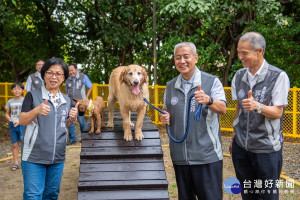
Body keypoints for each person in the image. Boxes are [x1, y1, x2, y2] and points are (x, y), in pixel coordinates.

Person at [160, 42, 227, 200]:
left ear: (195, 58)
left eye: (186, 56)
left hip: (206, 157)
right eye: (178, 58)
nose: (182, 61)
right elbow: (166, 112)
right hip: (180, 158)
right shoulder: (170, 86)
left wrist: (208, 100)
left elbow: (223, 109)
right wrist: (165, 118)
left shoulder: (211, 81)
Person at [230, 32, 290, 200]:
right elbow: (238, 108)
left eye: (244, 53)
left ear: (259, 51)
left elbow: (278, 112)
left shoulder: (278, 76)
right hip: (241, 147)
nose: (240, 57)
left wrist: (258, 106)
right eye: (239, 52)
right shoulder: (239, 76)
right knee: (248, 193)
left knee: (268, 196)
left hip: (266, 149)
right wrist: (234, 137)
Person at [19, 58, 79, 199]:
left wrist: (72, 119)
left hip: (57, 157)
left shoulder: (66, 100)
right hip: (34, 157)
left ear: (64, 77)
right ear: (44, 74)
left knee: (51, 195)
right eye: (50, 72)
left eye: (58, 74)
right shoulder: (32, 96)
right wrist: (36, 111)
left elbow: (63, 125)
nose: (54, 77)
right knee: (33, 196)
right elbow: (22, 120)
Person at [65, 63, 92, 145]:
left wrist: (86, 96)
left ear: (76, 70)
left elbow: (90, 86)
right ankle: (73, 139)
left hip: (80, 105)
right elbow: (67, 91)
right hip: (70, 103)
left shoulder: (83, 77)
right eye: (69, 71)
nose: (71, 72)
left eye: (72, 70)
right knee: (71, 121)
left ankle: (84, 138)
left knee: (81, 121)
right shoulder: (67, 79)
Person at [5, 82, 25, 171]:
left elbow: (27, 113)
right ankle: (15, 163)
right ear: (12, 91)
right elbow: (7, 113)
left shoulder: (25, 100)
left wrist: (21, 121)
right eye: (15, 89)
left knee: (24, 145)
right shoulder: (10, 101)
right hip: (12, 125)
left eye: (19, 89)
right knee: (15, 145)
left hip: (22, 124)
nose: (17, 90)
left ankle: (25, 163)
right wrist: (8, 118)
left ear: (22, 90)